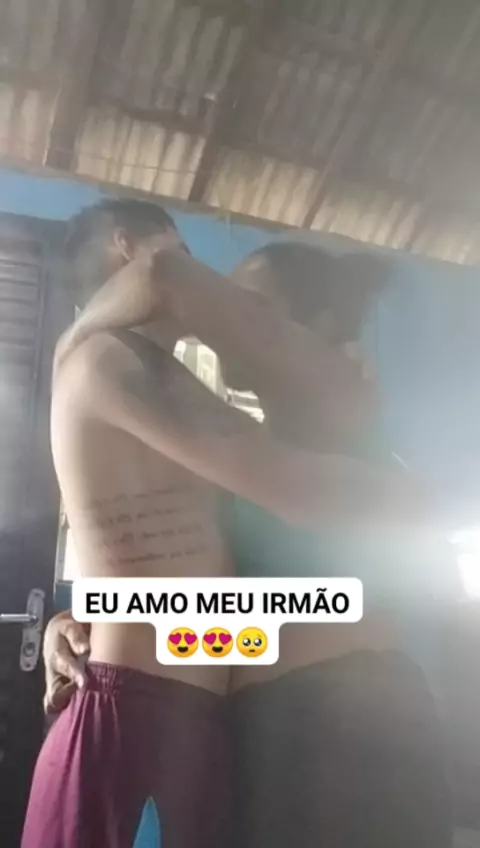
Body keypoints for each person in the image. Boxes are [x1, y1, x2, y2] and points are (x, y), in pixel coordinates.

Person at [26, 207, 453, 847]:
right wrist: (87, 618)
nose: (220, 315)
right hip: (245, 733)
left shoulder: (339, 397)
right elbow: (208, 597)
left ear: (317, 329)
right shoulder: (237, 440)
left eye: (247, 304)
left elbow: (163, 274)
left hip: (347, 737)